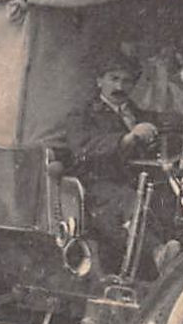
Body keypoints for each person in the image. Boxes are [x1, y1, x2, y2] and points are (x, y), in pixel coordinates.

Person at [62, 53, 169, 271]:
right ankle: (159, 252)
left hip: (135, 184)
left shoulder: (139, 115)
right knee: (129, 200)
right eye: (114, 78)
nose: (120, 86)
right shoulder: (82, 114)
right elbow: (83, 149)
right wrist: (128, 139)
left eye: (126, 81)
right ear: (99, 81)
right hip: (96, 187)